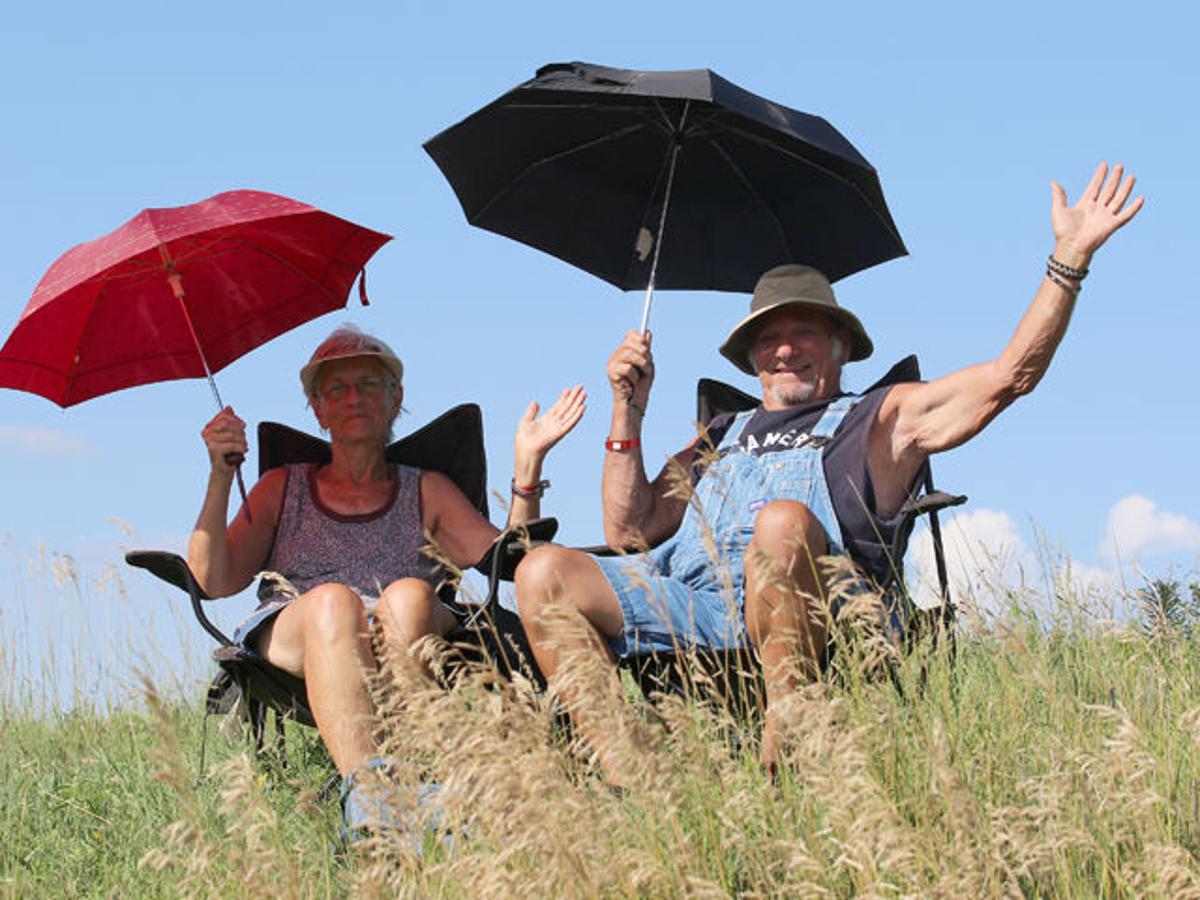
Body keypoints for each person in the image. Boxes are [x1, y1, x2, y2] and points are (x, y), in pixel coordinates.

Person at [514, 162, 1143, 783]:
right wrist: (630, 405)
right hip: (697, 608)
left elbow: (1010, 376)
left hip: (824, 615)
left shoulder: (878, 419)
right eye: (769, 338)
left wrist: (1069, 258)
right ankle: (635, 776)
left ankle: (787, 746)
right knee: (541, 571)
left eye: (803, 331)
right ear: (753, 359)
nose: (785, 348)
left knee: (783, 522)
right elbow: (629, 531)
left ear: (841, 346)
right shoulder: (720, 435)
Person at [188, 323, 585, 828]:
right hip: (303, 628)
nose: (354, 398)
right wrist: (221, 475)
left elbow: (511, 562)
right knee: (335, 602)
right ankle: (376, 806)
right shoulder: (279, 487)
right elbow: (212, 580)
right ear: (317, 408)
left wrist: (528, 471)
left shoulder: (429, 490)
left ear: (396, 400)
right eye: (337, 388)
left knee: (409, 597)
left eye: (370, 384)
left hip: (406, 631)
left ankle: (419, 788)